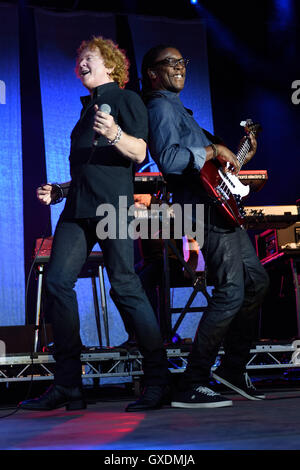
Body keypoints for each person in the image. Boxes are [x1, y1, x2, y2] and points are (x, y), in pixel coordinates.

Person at [20, 36, 171, 412]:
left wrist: (116, 134)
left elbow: (139, 152)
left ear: (110, 64)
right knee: (56, 283)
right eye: (80, 61)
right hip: (77, 207)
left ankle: (157, 379)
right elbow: (91, 169)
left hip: (113, 207)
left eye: (88, 58)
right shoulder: (86, 111)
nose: (81, 65)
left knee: (123, 285)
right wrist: (59, 190)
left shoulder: (125, 99)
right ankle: (69, 385)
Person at [140, 44, 269, 408]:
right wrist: (213, 152)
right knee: (231, 289)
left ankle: (231, 368)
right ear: (152, 72)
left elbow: (210, 169)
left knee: (256, 282)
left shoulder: (181, 110)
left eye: (183, 61)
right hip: (201, 211)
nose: (180, 67)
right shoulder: (160, 107)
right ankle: (194, 381)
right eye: (170, 63)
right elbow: (169, 160)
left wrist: (236, 154)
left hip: (215, 206)